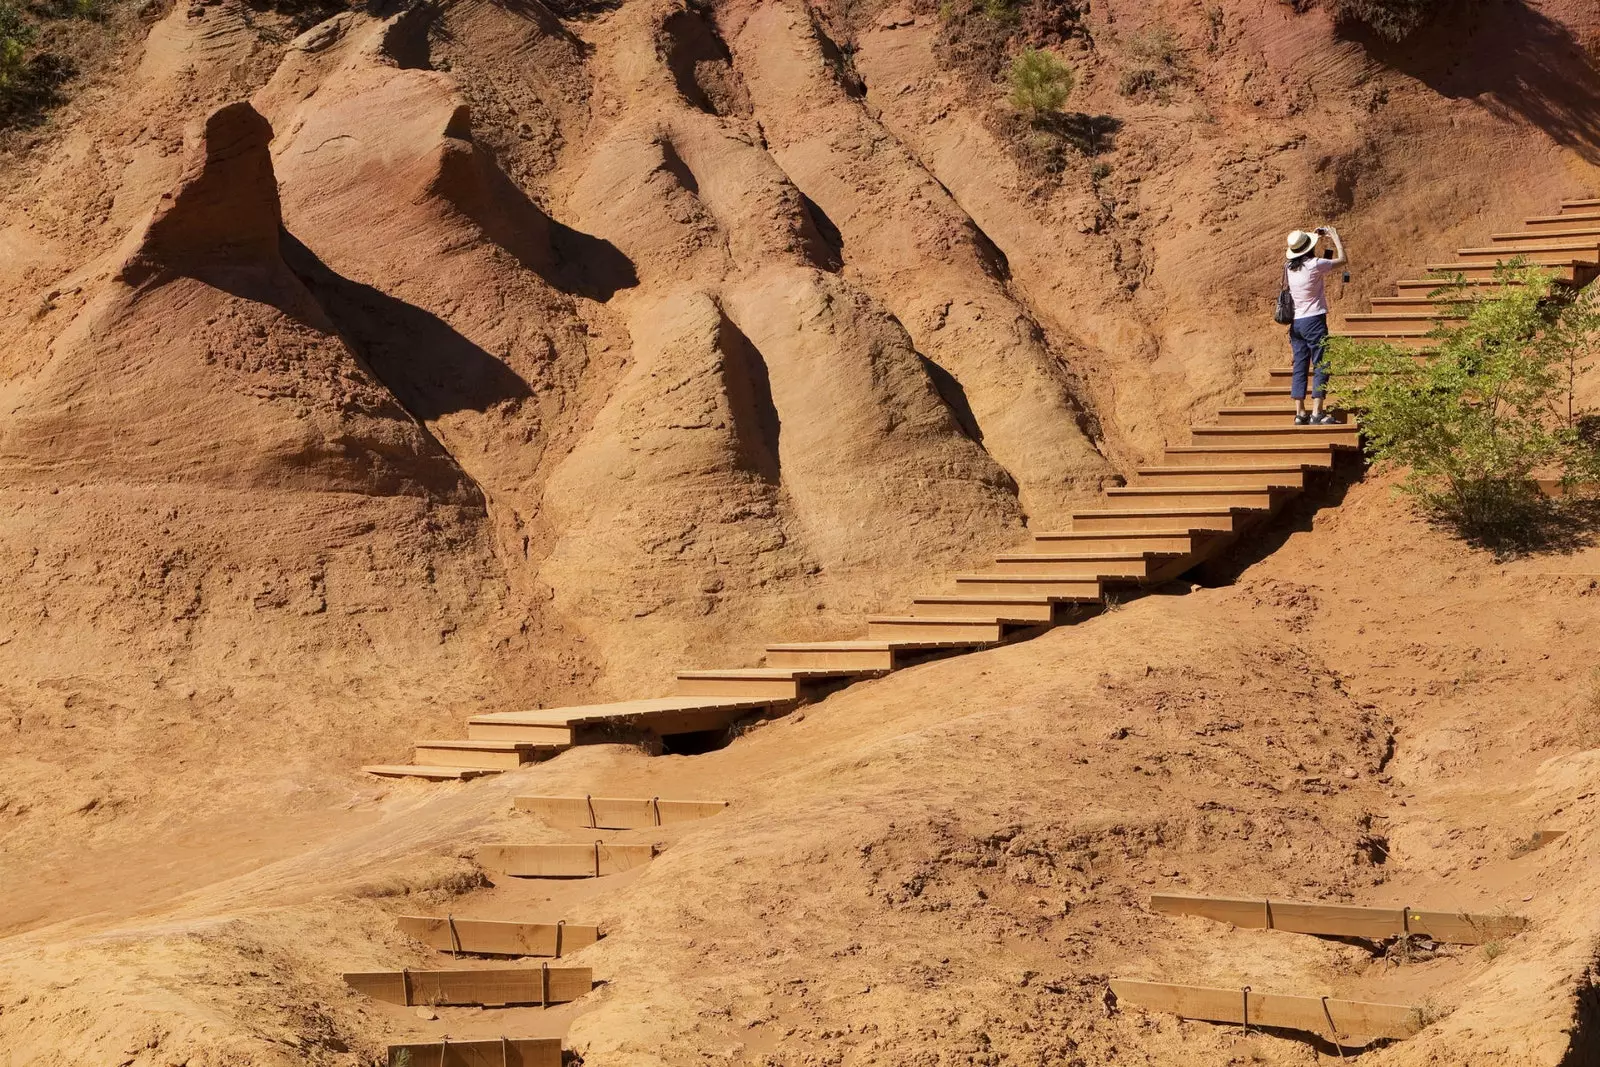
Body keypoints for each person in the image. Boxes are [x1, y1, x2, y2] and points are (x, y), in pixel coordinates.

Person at [1283, 225, 1347, 424]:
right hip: (1314, 320)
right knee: (1321, 362)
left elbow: (1320, 264)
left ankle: (1300, 413)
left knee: (1300, 365)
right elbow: (1342, 261)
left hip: (1297, 323)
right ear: (1309, 248)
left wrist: (1319, 241)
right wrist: (1334, 238)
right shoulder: (1315, 265)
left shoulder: (1288, 267)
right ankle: (1317, 412)